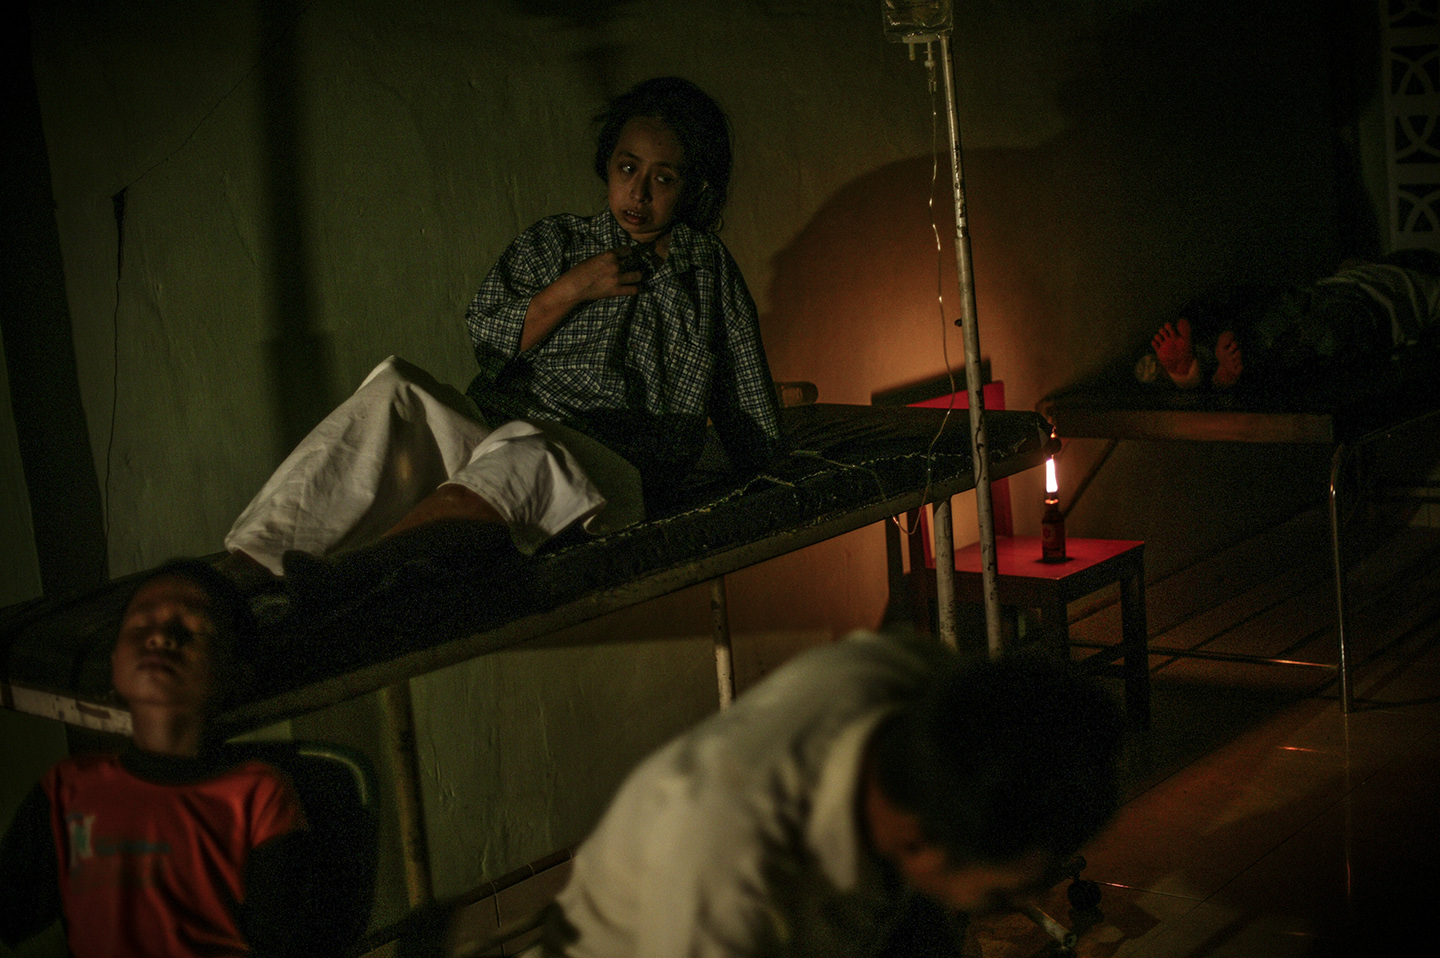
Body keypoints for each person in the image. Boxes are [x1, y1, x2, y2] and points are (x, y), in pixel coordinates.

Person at [219, 77, 783, 599]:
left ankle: (357, 577)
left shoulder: (706, 272)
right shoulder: (559, 242)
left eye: (664, 178)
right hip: (500, 425)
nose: (638, 194)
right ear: (607, 165)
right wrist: (571, 289)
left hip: (605, 472)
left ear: (694, 187)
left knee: (529, 455)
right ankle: (246, 569)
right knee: (396, 388)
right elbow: (489, 346)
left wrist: (772, 467)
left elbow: (744, 393)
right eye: (627, 168)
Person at [530, 632, 1125, 958]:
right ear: (918, 843)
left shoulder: (917, 680)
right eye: (999, 896)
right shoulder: (726, 866)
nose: (1016, 905)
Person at [0, 560, 312, 956]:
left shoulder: (258, 795)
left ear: (236, 673)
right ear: (114, 664)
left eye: (193, 630)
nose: (161, 637)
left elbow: (284, 943)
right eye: (140, 626)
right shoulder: (67, 790)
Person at [1143, 249, 1440, 393]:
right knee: (1287, 320)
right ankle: (1212, 362)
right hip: (1356, 305)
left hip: (1363, 310)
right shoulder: (1412, 273)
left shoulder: (1415, 273)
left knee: (1310, 332)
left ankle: (1206, 364)